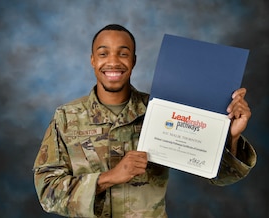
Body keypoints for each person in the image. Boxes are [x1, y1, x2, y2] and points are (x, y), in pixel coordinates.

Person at [33, 24, 257, 217]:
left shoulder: (162, 111)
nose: (113, 62)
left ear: (134, 60)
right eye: (103, 54)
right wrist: (108, 178)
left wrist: (231, 137)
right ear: (92, 60)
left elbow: (222, 177)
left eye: (123, 53)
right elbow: (48, 193)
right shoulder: (66, 117)